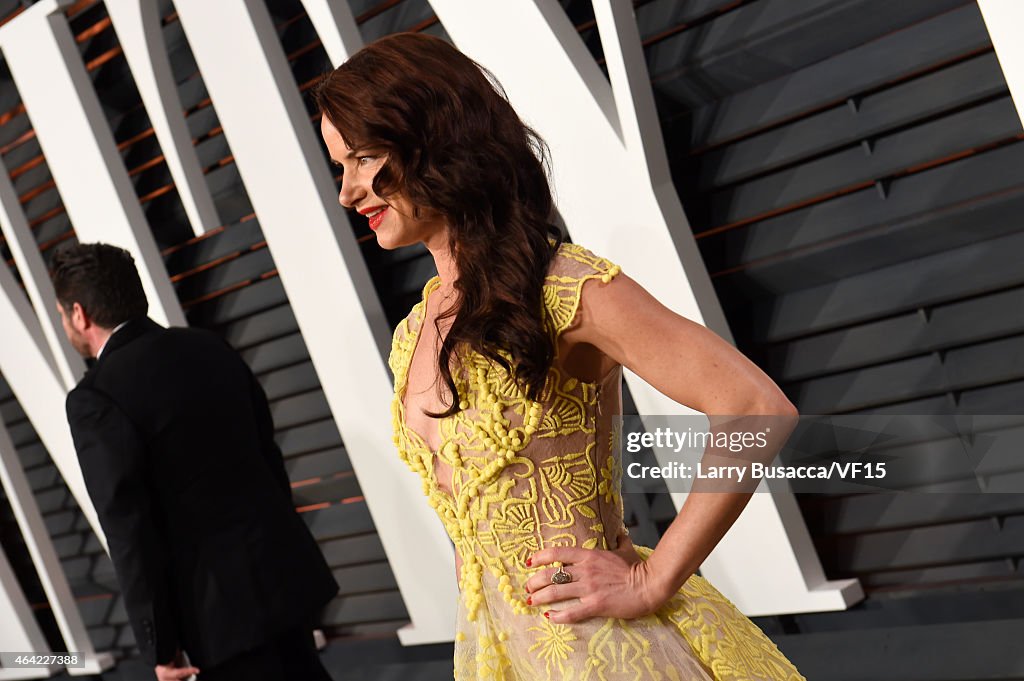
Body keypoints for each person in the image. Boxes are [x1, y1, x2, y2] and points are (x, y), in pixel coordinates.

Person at [314, 32, 804, 681]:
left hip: (605, 655)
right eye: (339, 168)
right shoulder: (414, 332)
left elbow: (755, 407)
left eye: (362, 160)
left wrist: (654, 578)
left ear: (434, 142)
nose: (348, 193)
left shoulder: (561, 286)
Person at [53, 243, 339, 681]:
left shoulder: (96, 398)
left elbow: (130, 532)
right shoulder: (208, 346)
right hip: (284, 581)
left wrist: (160, 646)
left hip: (217, 618)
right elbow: (269, 460)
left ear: (79, 314)